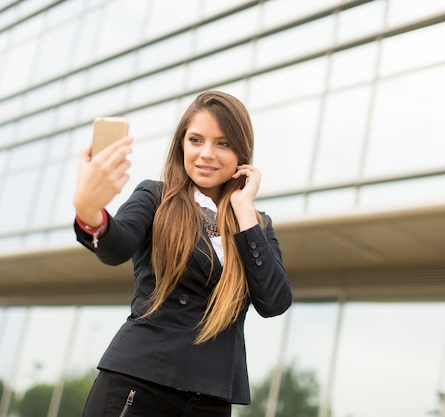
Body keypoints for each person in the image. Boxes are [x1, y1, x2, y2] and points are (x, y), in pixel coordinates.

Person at [73, 91, 292, 416]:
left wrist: (244, 210)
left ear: (241, 155)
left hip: (209, 399)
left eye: (223, 143)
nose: (206, 154)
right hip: (139, 383)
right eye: (196, 140)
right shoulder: (156, 197)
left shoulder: (256, 226)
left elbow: (274, 301)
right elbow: (117, 245)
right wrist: (89, 210)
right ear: (181, 146)